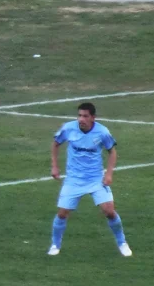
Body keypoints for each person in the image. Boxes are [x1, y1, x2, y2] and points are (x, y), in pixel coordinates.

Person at [49, 102, 131, 257]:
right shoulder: (68, 128)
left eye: (85, 116)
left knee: (109, 211)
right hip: (73, 180)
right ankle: (55, 244)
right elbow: (55, 144)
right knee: (62, 213)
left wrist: (108, 174)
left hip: (95, 179)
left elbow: (112, 152)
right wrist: (54, 166)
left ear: (93, 118)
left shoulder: (102, 132)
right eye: (79, 115)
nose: (81, 119)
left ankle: (122, 242)